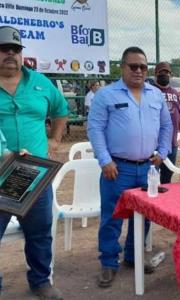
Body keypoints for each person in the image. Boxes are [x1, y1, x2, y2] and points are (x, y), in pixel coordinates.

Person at [87, 46, 172, 288]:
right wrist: (104, 160)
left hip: (147, 168)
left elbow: (167, 126)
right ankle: (109, 263)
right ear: (122, 67)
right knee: (112, 217)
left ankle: (133, 257)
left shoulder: (156, 95)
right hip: (117, 168)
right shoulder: (106, 94)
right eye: (133, 66)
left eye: (143, 67)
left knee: (143, 216)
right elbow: (95, 128)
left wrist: (163, 152)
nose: (138, 70)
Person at [0, 26, 68, 299]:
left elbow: (61, 110)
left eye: (16, 50)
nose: (11, 54)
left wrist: (55, 140)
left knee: (40, 232)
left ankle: (41, 281)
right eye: (4, 49)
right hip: (0, 175)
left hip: (35, 175)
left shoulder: (41, 82)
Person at [153, 61, 180, 183]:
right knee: (152, 176)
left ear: (171, 74)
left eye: (167, 72)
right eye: (161, 73)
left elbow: (179, 114)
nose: (164, 75)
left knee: (167, 178)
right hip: (155, 144)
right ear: (155, 74)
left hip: (172, 143)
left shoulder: (175, 93)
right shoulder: (152, 92)